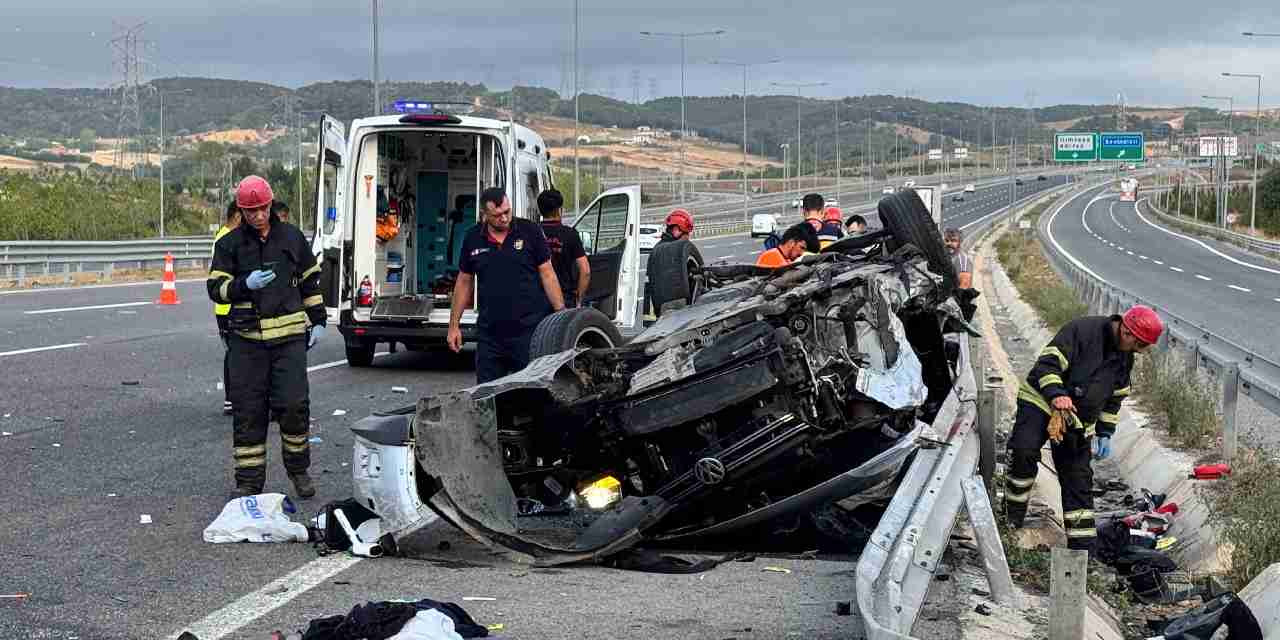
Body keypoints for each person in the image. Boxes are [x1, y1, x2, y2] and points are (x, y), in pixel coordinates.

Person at [1003, 305, 1164, 552]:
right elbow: (1047, 365)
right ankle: (1010, 521)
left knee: (1078, 481)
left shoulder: (1124, 358)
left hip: (1077, 422)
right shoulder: (1082, 330)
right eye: (1138, 345)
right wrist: (1057, 394)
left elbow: (1114, 398)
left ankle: (1082, 551)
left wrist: (1104, 432)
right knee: (1024, 451)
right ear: (1127, 332)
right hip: (1040, 403)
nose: (1137, 351)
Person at [207, 176, 326, 500]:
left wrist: (318, 320)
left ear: (270, 205)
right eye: (250, 211)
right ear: (241, 211)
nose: (257, 216)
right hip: (247, 342)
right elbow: (215, 288)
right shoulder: (228, 245)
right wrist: (244, 284)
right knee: (248, 412)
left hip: (288, 341)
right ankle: (249, 481)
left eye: (262, 209)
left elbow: (309, 282)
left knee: (293, 406)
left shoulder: (291, 238)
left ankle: (299, 470)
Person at [447, 187, 565, 384]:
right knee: (487, 395)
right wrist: (453, 326)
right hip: (490, 334)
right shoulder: (473, 237)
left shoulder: (530, 231)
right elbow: (464, 281)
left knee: (532, 393)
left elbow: (548, 274)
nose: (504, 218)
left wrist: (561, 316)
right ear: (484, 215)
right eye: (497, 215)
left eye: (507, 212)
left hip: (529, 331)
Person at [537, 189, 590, 308]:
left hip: (538, 300)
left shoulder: (532, 233)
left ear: (540, 211)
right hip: (565, 299)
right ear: (559, 210)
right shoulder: (570, 234)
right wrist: (579, 299)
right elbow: (585, 271)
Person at [214, 201, 242, 416]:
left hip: (225, 307)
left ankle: (233, 398)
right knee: (234, 353)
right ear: (237, 216)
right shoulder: (226, 239)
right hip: (227, 308)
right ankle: (232, 399)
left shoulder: (224, 235)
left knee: (234, 353)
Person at [643, 209, 695, 322]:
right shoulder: (671, 253)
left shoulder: (658, 249)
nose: (688, 238)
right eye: (687, 233)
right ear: (676, 230)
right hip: (670, 317)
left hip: (656, 315)